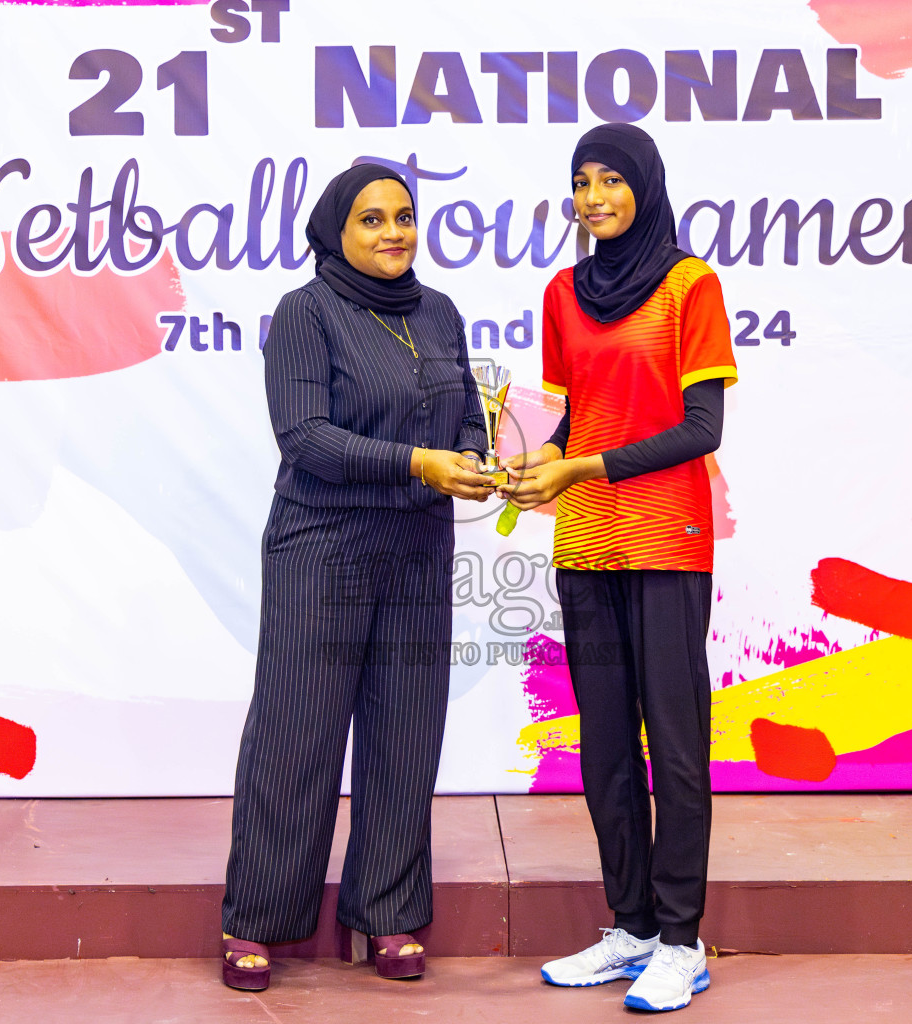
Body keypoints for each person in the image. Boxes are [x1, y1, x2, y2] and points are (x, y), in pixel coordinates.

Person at [220, 162, 494, 992]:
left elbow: (467, 417)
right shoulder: (307, 314)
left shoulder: (440, 312)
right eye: (372, 219)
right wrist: (420, 461)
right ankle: (256, 919)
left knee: (405, 734)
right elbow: (304, 438)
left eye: (404, 217)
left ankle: (389, 912)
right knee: (297, 733)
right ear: (337, 231)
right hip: (323, 546)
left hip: (416, 549)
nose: (394, 233)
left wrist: (478, 460)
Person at [500, 123, 737, 1013]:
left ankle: (683, 939)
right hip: (586, 541)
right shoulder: (563, 292)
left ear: (644, 186)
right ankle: (631, 926)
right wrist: (530, 465)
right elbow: (567, 422)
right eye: (580, 181)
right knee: (604, 747)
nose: (594, 196)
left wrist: (581, 467)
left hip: (668, 541)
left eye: (611, 180)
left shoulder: (689, 284)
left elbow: (701, 429)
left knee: (674, 749)